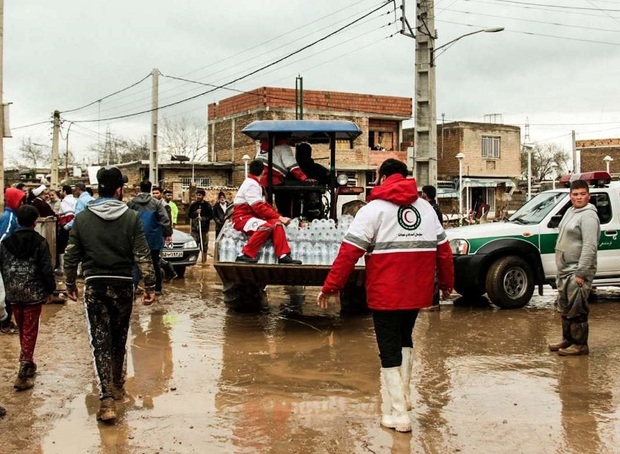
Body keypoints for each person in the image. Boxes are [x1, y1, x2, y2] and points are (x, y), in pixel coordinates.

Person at [316, 159, 454, 432]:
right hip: (416, 291)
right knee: (405, 338)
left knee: (388, 348)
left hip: (386, 292)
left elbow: (349, 253)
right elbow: (444, 251)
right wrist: (447, 284)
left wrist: (330, 286)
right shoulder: (426, 208)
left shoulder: (373, 210)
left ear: (382, 178)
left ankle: (399, 415)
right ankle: (404, 396)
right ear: (405, 177)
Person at [64, 166, 156, 422]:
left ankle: (107, 398)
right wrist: (150, 286)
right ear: (119, 189)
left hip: (95, 285)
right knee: (119, 337)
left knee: (100, 340)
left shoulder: (82, 218)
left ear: (98, 187)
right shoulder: (131, 217)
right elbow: (142, 254)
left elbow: (71, 254)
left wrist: (70, 282)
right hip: (123, 284)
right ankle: (117, 386)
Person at [0, 205, 55, 391]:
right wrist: (50, 290)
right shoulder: (39, 242)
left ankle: (28, 361)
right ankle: (23, 371)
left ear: (17, 220)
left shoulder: (5, 243)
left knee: (23, 328)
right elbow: (46, 269)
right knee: (30, 330)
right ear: (34, 221)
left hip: (13, 294)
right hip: (33, 294)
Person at [549, 179, 599, 356]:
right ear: (570, 196)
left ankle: (580, 345)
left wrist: (582, 272)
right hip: (564, 269)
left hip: (576, 270)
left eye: (582, 194)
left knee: (577, 308)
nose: (579, 197)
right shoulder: (571, 211)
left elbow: (590, 246)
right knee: (565, 306)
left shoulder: (589, 216)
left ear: (589, 196)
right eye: (575, 194)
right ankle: (568, 339)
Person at [232, 160, 302, 265]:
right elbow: (259, 207)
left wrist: (278, 217)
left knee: (276, 224)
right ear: (263, 172)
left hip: (251, 218)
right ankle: (245, 254)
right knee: (266, 227)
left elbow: (265, 205)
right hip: (243, 218)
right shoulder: (251, 184)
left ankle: (283, 255)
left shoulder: (255, 184)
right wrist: (280, 217)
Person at [127, 181, 172, 295]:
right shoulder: (156, 203)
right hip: (154, 239)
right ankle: (156, 289)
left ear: (140, 189)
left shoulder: (131, 203)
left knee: (136, 264)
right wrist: (167, 234)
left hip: (136, 238)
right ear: (150, 189)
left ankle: (133, 287)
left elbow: (125, 220)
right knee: (155, 263)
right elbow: (165, 220)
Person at [256, 135, 314, 217]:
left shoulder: (262, 147)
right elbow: (292, 165)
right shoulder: (284, 147)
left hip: (259, 180)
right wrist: (304, 178)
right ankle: (286, 217)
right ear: (287, 138)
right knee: (286, 197)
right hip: (274, 179)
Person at [0, 187, 27, 334]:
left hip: (7, 261)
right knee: (5, 293)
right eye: (21, 201)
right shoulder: (9, 218)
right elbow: (3, 239)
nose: (22, 204)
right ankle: (5, 323)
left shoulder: (12, 216)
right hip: (6, 261)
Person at [188, 189, 213, 264]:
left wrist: (203, 218)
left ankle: (204, 261)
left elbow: (211, 216)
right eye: (197, 195)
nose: (198, 197)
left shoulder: (207, 205)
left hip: (204, 230)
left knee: (204, 247)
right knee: (194, 246)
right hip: (195, 230)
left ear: (203, 196)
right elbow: (189, 215)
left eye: (200, 195)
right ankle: (193, 261)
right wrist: (196, 213)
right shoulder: (193, 205)